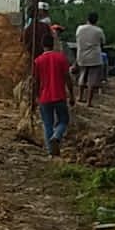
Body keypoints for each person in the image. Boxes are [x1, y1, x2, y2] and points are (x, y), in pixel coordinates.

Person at [34, 29, 75, 158]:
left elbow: (36, 81)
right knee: (63, 120)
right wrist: (72, 94)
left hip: (44, 97)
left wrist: (35, 97)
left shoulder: (38, 61)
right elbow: (67, 77)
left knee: (47, 124)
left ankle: (51, 152)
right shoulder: (61, 58)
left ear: (42, 45)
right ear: (53, 44)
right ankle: (57, 136)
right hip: (59, 96)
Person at [75, 10, 106, 106]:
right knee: (91, 80)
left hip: (82, 56)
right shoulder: (98, 30)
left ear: (87, 19)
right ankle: (89, 102)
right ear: (96, 20)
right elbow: (103, 42)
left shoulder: (80, 28)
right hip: (94, 57)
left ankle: (80, 97)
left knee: (82, 76)